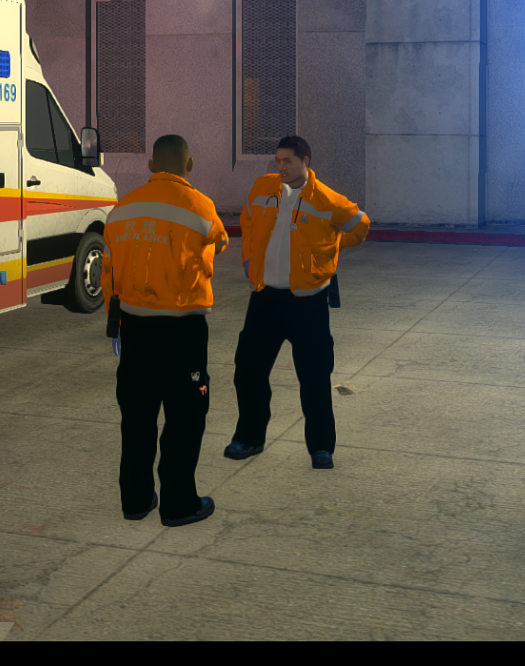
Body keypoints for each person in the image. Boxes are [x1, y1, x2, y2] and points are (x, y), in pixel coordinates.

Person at [102, 134, 229, 527]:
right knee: (185, 416)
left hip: (135, 327)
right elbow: (220, 243)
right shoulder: (201, 206)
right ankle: (178, 504)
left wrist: (116, 320)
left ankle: (136, 500)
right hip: (182, 330)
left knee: (136, 417)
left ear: (151, 165)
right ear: (189, 165)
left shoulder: (121, 210)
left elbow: (109, 271)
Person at [227, 136, 370, 469]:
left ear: (305, 161)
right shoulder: (262, 187)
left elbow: (359, 226)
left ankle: (321, 448)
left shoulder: (327, 199)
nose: (280, 167)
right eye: (277, 160)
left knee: (315, 377)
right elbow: (247, 221)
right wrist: (249, 258)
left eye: (287, 161)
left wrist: (328, 251)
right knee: (247, 372)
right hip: (265, 298)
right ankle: (248, 438)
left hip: (308, 302)